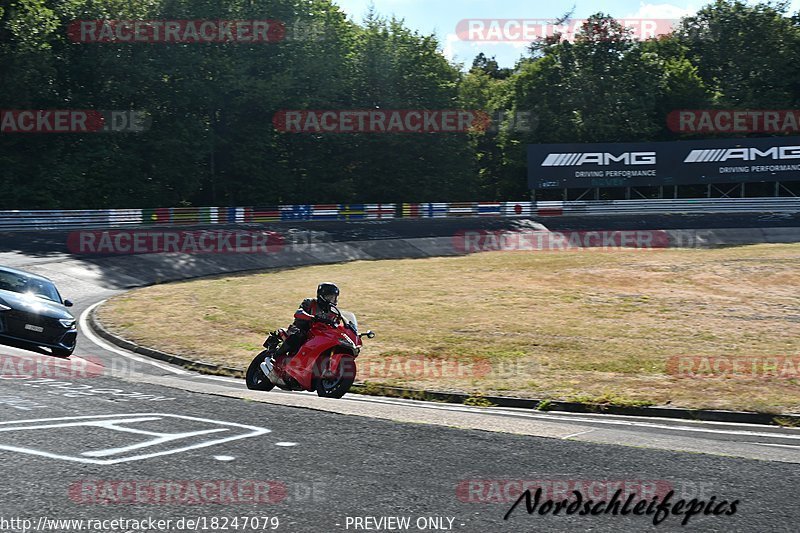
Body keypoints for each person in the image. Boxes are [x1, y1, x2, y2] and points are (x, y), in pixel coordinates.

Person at [272, 282, 340, 362]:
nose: (333, 300)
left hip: (317, 335)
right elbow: (298, 313)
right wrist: (312, 318)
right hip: (299, 329)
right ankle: (276, 356)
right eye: (330, 297)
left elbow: (337, 325)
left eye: (335, 297)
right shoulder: (310, 303)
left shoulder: (333, 312)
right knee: (298, 336)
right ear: (322, 296)